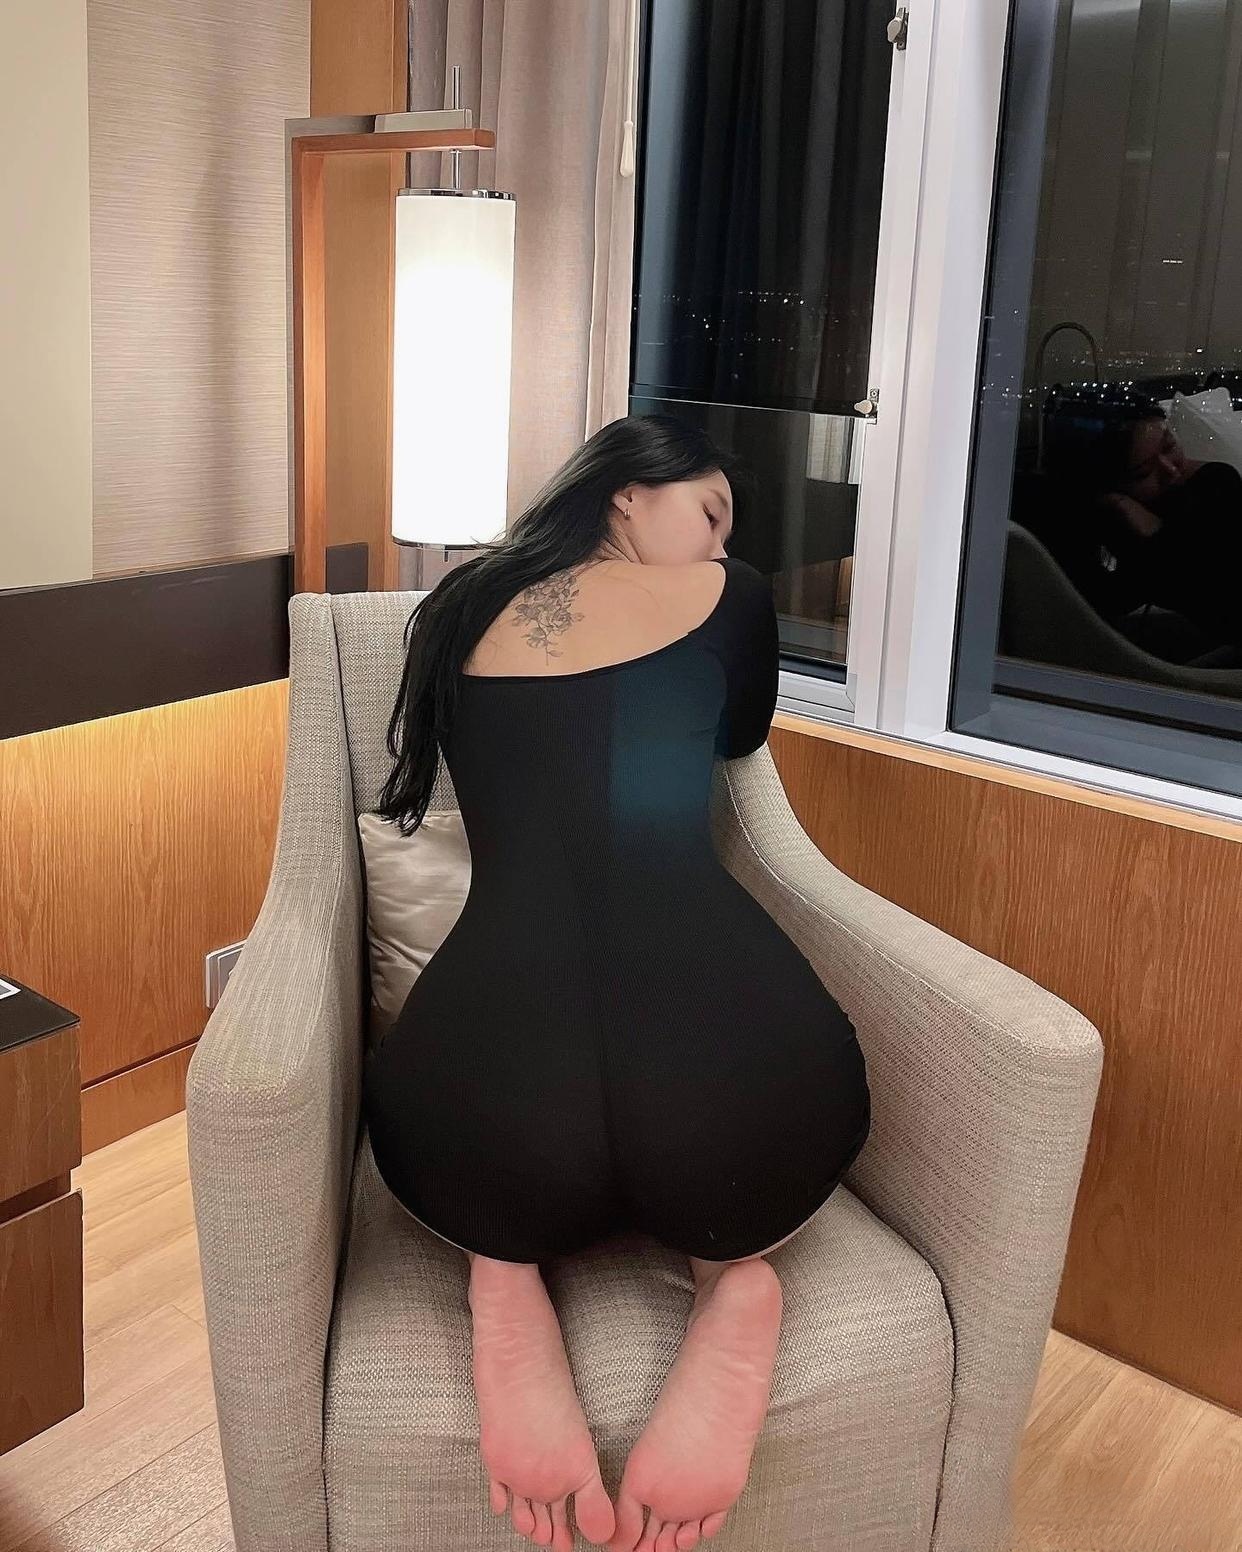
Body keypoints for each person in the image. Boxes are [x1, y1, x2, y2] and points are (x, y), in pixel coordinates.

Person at [362, 414, 871, 1552]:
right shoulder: (732, 597)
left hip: (487, 1100)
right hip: (735, 1089)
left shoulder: (453, 608)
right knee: (728, 1117)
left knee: (490, 1166)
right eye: (712, 511)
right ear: (630, 491)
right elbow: (739, 734)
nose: (721, 543)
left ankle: (505, 1275)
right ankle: (731, 1274)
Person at [1037, 391, 1242, 656]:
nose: (1171, 470)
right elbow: (1105, 602)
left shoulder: (1215, 488)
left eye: (1169, 446)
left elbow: (1225, 610)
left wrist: (1154, 532)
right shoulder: (1082, 525)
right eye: (1144, 473)